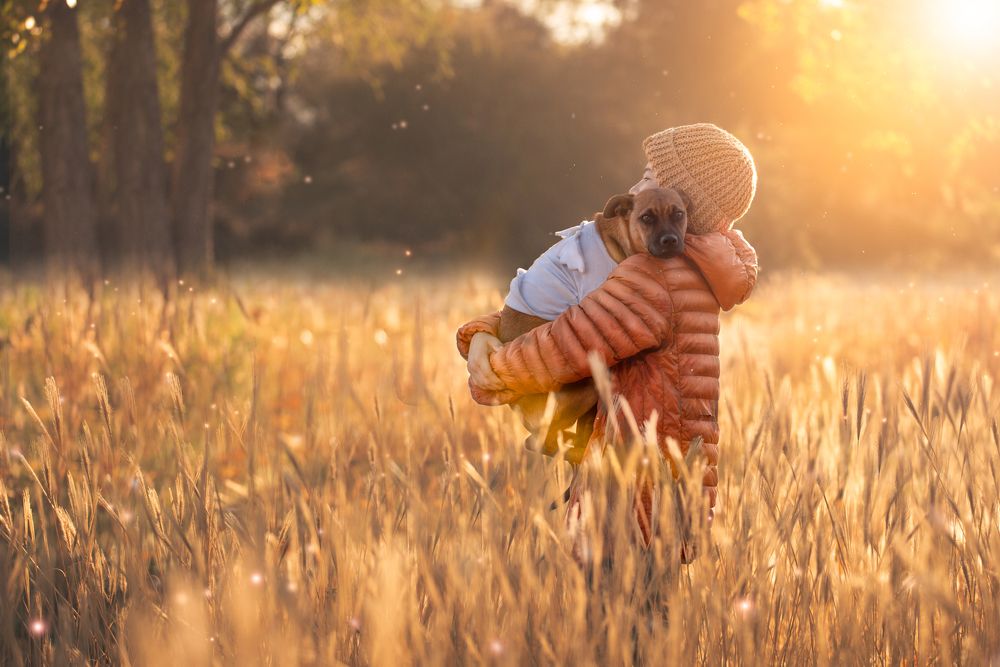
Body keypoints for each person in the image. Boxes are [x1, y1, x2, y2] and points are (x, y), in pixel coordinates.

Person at [456, 123, 759, 562]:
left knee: (617, 615)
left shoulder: (652, 276)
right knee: (652, 616)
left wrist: (491, 369)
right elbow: (579, 311)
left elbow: (569, 343)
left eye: (651, 176)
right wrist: (484, 329)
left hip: (632, 483)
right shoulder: (696, 270)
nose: (637, 183)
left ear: (684, 199)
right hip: (675, 473)